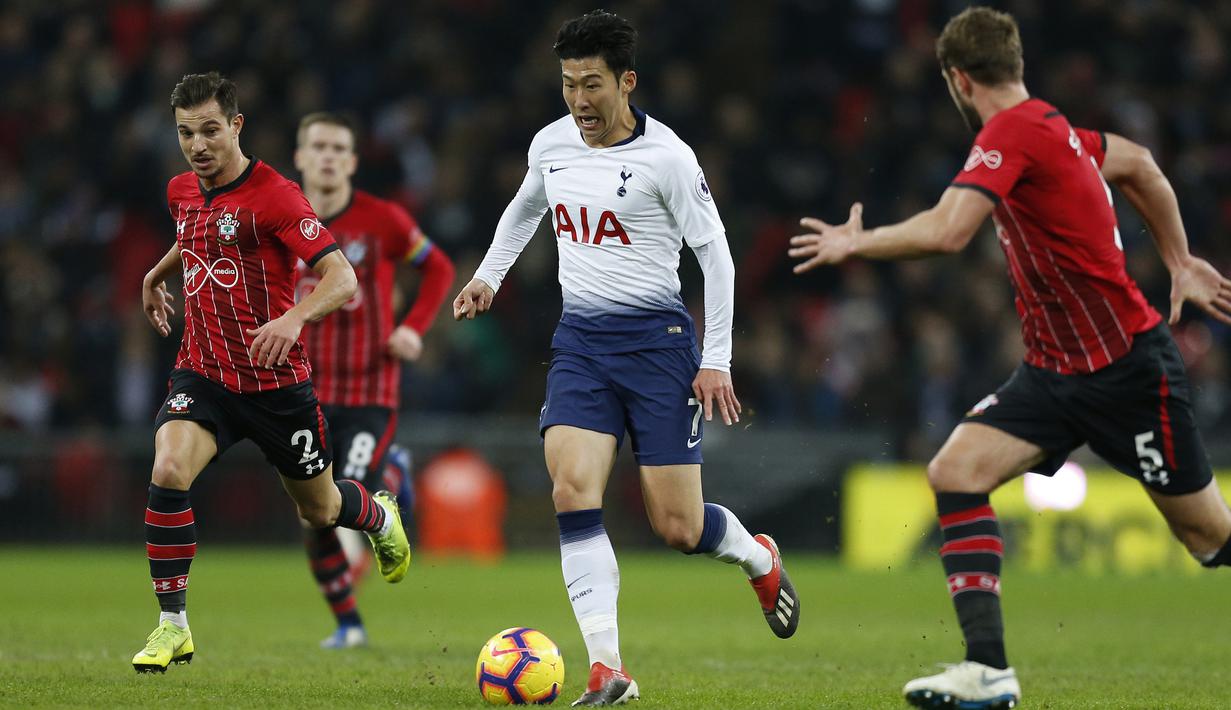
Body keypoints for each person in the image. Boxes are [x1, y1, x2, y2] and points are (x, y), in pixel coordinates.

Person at [789, 7, 1231, 708]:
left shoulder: (1013, 133)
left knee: (1209, 539)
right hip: (1054, 372)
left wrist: (857, 243)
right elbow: (1140, 163)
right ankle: (987, 668)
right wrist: (1177, 259)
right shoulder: (1056, 128)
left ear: (956, 79)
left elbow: (946, 231)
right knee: (954, 472)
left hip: (1127, 372)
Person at [453, 10, 799, 707]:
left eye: (591, 85)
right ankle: (606, 668)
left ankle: (759, 558)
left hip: (659, 348)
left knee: (679, 528)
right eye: (567, 85)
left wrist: (717, 359)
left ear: (626, 81)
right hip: (580, 344)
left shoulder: (667, 158)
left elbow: (716, 257)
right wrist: (489, 275)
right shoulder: (551, 143)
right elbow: (526, 208)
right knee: (571, 489)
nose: (578, 101)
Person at [133, 72, 411, 673]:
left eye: (210, 130)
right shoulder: (181, 188)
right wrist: (155, 275)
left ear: (236, 126)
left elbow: (343, 278)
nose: (198, 145)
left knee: (319, 510)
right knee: (169, 466)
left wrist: (293, 319)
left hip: (275, 385)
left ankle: (379, 516)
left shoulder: (278, 195)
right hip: (202, 374)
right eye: (186, 133)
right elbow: (198, 231)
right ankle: (171, 625)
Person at [293, 111, 455, 649]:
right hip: (300, 393)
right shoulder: (278, 220)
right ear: (299, 157)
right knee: (315, 517)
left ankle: (386, 476)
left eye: (340, 147)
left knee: (347, 496)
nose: (328, 156)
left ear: (354, 161)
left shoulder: (381, 219)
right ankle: (348, 624)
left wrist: (412, 329)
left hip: (369, 389)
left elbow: (439, 268)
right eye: (318, 146)